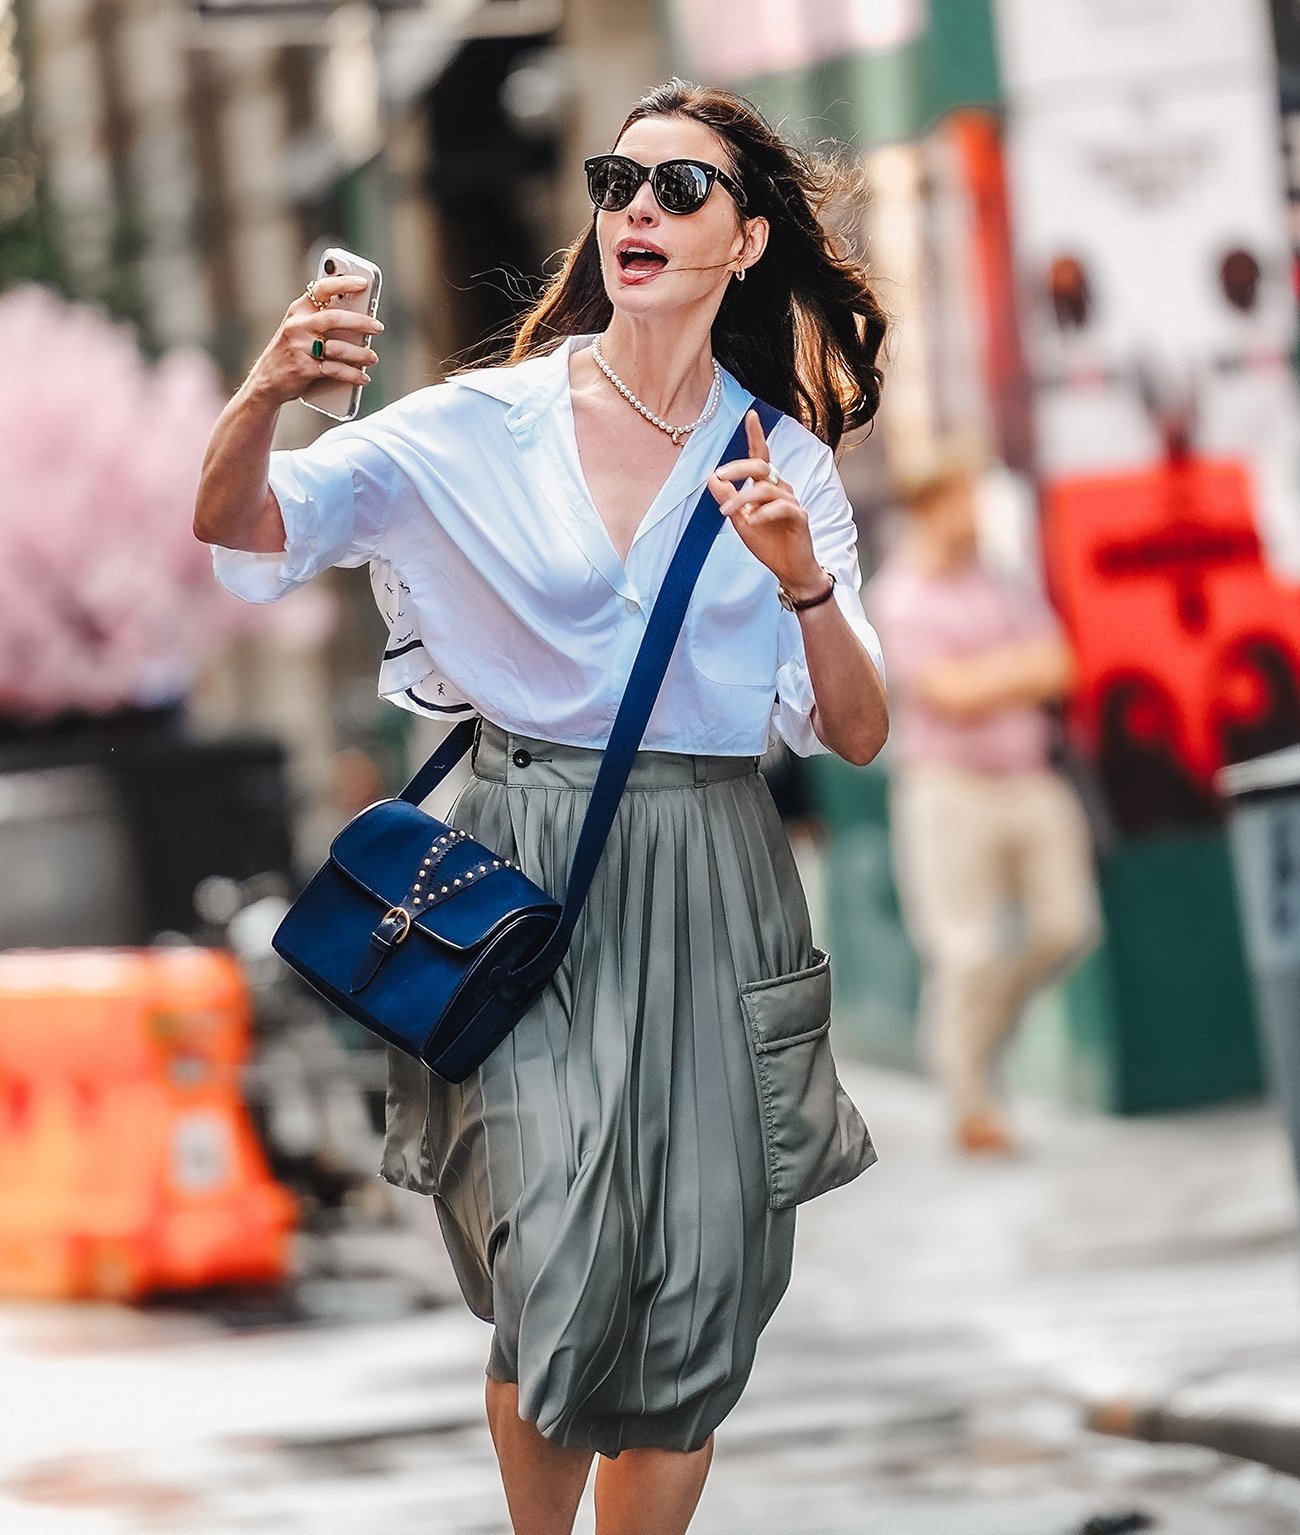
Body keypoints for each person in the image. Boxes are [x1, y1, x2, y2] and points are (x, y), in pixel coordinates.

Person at [194, 79, 888, 1535]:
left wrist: (802, 582)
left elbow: (860, 727)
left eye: (679, 189)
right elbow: (246, 527)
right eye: (616, 180)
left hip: (714, 876)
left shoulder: (785, 462)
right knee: (557, 1255)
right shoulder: (478, 427)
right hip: (518, 872)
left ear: (746, 242)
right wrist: (264, 393)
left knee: (700, 1284)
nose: (636, 207)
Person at [867, 438, 1099, 1159]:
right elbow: (946, 691)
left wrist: (990, 676)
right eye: (963, 498)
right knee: (965, 953)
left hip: (1030, 779)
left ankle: (969, 1041)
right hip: (948, 789)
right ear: (930, 508)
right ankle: (971, 1098)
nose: (976, 512)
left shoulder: (1003, 580)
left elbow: (1060, 664)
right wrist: (1011, 671)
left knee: (1068, 926)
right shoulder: (898, 595)